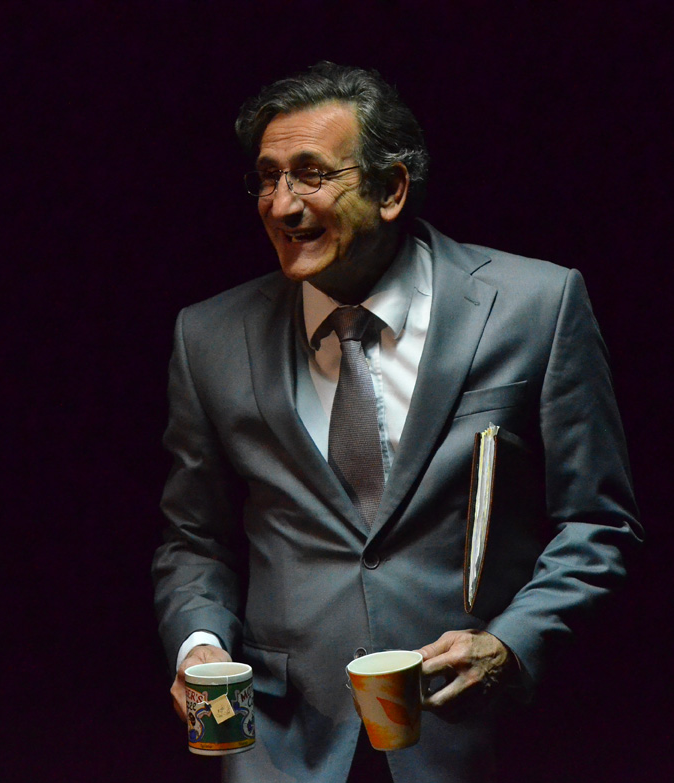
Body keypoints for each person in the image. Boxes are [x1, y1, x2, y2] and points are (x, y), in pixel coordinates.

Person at [152, 62, 642, 783]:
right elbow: (194, 538)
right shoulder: (209, 336)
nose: (281, 205)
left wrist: (509, 644)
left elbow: (598, 524)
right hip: (282, 743)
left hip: (466, 733)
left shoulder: (534, 307)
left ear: (391, 190)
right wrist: (198, 641)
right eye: (267, 178)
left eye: (311, 175)